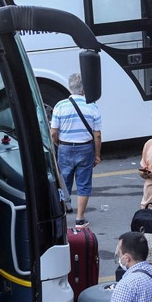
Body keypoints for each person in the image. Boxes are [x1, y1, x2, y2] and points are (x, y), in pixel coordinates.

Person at [50, 73, 102, 228]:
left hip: (65, 147)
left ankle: (63, 213)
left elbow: (53, 132)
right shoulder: (92, 106)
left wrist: (59, 143)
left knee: (63, 182)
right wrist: (97, 154)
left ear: (69, 87)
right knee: (84, 183)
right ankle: (80, 219)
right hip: (86, 148)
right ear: (84, 89)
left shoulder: (60, 106)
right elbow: (97, 135)